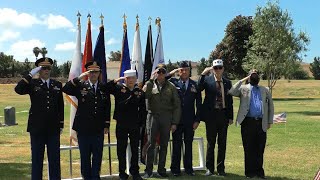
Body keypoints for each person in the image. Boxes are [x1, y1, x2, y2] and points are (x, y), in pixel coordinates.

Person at [15, 57, 64, 180]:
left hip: (53, 128)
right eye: (43, 68)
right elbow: (18, 89)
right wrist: (31, 74)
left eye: (48, 68)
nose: (46, 70)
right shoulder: (32, 83)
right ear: (39, 70)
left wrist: (61, 124)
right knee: (37, 160)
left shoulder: (57, 84)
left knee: (54, 160)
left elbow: (60, 106)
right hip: (37, 128)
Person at [62, 61, 110, 180]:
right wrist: (79, 77)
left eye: (96, 72)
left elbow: (107, 107)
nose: (93, 74)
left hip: (98, 128)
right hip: (83, 128)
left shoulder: (104, 87)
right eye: (91, 72)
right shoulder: (81, 86)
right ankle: (86, 177)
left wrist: (106, 124)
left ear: (99, 73)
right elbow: (66, 89)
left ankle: (95, 177)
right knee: (85, 156)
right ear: (88, 73)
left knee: (97, 156)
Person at [228, 69, 274, 179]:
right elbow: (231, 91)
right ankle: (249, 173)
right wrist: (244, 79)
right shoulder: (243, 88)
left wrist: (269, 121)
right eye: (252, 74)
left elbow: (271, 106)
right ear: (249, 76)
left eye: (256, 73)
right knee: (248, 148)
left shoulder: (265, 89)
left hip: (261, 123)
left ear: (259, 76)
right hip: (247, 123)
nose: (254, 75)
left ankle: (259, 172)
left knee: (260, 148)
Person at [143, 64, 181, 178]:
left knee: (164, 144)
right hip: (153, 117)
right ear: (155, 73)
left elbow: (177, 105)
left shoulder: (171, 87)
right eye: (158, 72)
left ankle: (161, 169)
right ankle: (148, 170)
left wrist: (174, 122)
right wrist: (150, 80)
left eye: (162, 72)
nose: (160, 74)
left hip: (166, 117)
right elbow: (146, 95)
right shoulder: (150, 85)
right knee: (151, 144)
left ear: (165, 73)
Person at [107, 69, 145, 180]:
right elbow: (106, 88)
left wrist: (142, 123)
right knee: (121, 149)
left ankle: (135, 172)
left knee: (134, 149)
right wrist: (116, 80)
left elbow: (143, 109)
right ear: (125, 79)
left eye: (132, 78)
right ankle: (122, 172)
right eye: (128, 78)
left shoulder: (140, 92)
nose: (130, 80)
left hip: (135, 124)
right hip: (122, 123)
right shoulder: (119, 89)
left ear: (136, 78)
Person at [198, 59, 233, 176]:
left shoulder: (228, 82)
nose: (218, 70)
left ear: (223, 68)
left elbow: (230, 100)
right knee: (211, 143)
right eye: (215, 68)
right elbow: (198, 88)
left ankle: (221, 169)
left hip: (223, 115)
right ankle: (209, 168)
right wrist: (203, 74)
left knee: (222, 143)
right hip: (211, 116)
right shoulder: (207, 80)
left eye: (220, 67)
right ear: (212, 69)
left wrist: (230, 116)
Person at [167, 61, 202, 176]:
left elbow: (199, 104)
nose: (184, 72)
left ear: (189, 70)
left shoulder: (195, 84)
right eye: (181, 70)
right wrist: (173, 72)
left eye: (186, 69)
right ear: (179, 71)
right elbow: (164, 78)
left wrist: (197, 120)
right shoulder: (173, 82)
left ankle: (189, 169)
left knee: (188, 145)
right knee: (176, 145)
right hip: (176, 121)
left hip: (190, 121)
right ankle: (175, 170)